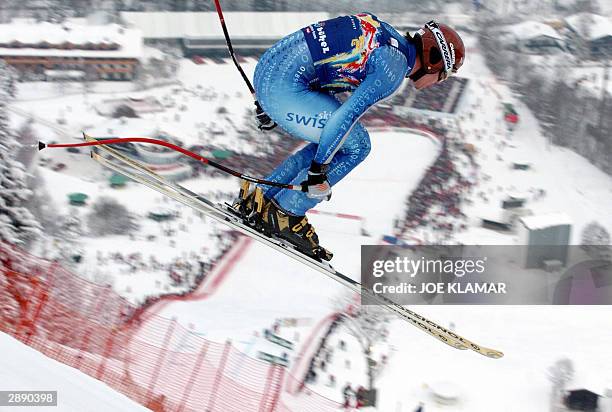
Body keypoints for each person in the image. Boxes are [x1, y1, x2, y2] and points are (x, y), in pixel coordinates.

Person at [233, 13, 465, 260]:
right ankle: (287, 213)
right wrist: (318, 170)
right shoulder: (392, 68)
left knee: (333, 141)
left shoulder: (385, 34)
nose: (439, 83)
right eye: (443, 75)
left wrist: (265, 98)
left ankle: (260, 198)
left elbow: (316, 48)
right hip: (283, 89)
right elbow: (346, 115)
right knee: (358, 146)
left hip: (270, 71)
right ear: (434, 61)